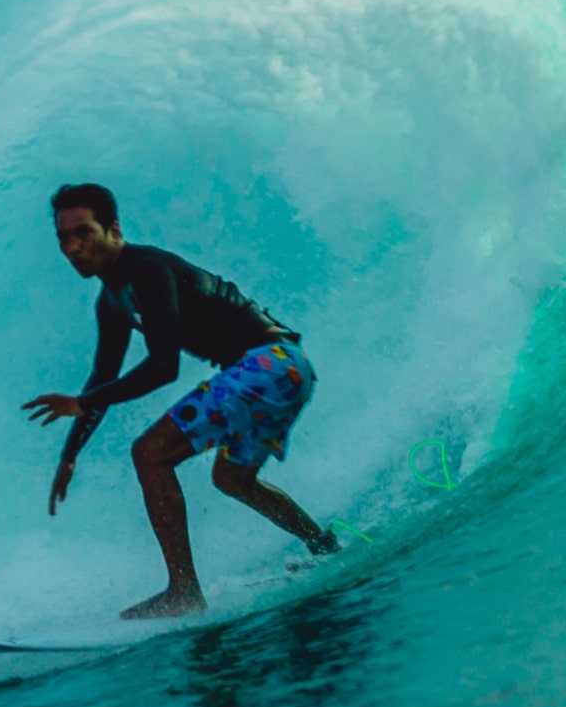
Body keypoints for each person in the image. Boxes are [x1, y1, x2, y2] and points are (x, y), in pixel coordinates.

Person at [22, 182, 335, 618]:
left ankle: (183, 591)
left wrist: (79, 403)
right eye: (63, 239)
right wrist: (70, 455)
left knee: (149, 453)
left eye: (84, 233)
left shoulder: (147, 269)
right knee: (231, 480)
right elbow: (102, 380)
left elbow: (162, 365)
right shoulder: (112, 301)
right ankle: (325, 546)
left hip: (268, 364)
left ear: (113, 230)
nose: (72, 247)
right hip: (287, 370)